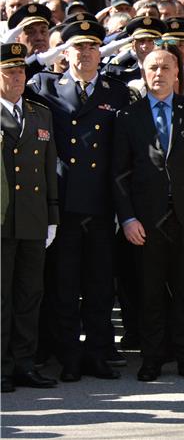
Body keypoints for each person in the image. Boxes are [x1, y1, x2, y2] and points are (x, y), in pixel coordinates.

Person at [27, 20, 135, 383]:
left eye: (92, 46)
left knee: (101, 286)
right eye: (78, 46)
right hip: (66, 203)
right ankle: (70, 355)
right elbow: (13, 74)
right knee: (65, 287)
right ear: (65, 52)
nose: (85, 53)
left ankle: (98, 353)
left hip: (103, 204)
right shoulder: (45, 87)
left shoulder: (116, 92)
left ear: (99, 52)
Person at [113, 48, 184, 382]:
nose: (158, 73)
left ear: (178, 72)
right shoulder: (128, 116)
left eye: (165, 67)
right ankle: (152, 358)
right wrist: (127, 218)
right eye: (151, 68)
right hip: (146, 222)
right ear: (144, 74)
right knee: (150, 292)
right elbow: (118, 174)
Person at [1, 42, 59, 393]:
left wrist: (52, 215)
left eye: (21, 71)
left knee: (29, 294)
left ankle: (25, 363)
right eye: (9, 72)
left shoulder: (40, 113)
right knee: (2, 296)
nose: (18, 77)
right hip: (4, 219)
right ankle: (3, 367)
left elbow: (48, 168)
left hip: (35, 219)